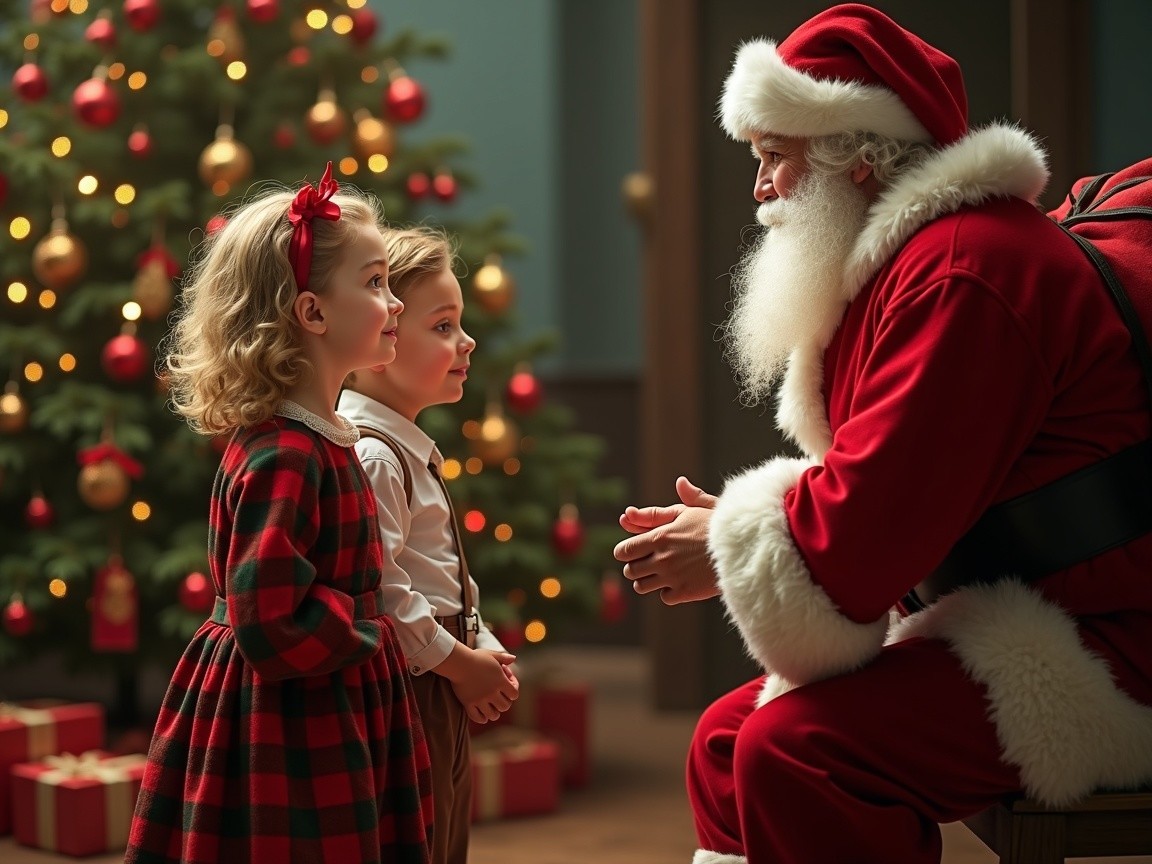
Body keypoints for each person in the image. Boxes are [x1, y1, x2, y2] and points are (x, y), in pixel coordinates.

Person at [612, 5, 1152, 864]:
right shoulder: (920, 260)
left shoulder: (966, 270)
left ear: (855, 154)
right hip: (1024, 607)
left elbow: (872, 530)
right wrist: (744, 534)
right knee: (725, 742)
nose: (760, 189)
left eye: (774, 157)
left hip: (1111, 641)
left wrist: (727, 543)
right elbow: (891, 490)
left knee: (800, 752)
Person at [126, 164, 433, 864]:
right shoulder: (285, 454)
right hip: (290, 714)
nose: (394, 302)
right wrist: (367, 627)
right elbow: (270, 617)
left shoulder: (324, 438)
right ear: (313, 313)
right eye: (375, 283)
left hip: (332, 689)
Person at [337, 225, 518, 864]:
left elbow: (441, 574)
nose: (466, 341)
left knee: (446, 833)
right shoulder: (374, 456)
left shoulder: (405, 449)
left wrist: (481, 642)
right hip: (414, 684)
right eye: (443, 326)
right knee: (420, 837)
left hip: (440, 669)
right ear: (381, 341)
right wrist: (458, 663)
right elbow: (386, 594)